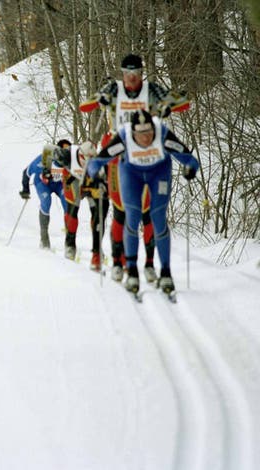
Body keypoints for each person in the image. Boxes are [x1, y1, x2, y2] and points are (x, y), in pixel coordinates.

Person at [80, 53, 190, 282]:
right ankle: (119, 261)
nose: (131, 78)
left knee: (150, 210)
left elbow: (183, 103)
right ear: (122, 73)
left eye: (136, 73)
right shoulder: (114, 89)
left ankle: (149, 263)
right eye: (127, 73)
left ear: (142, 73)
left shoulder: (151, 89)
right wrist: (99, 99)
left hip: (148, 153)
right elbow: (84, 106)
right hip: (118, 154)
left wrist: (168, 105)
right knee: (121, 209)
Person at [86, 109, 199, 295]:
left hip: (159, 173)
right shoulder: (124, 137)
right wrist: (95, 172)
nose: (146, 138)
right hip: (131, 174)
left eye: (148, 133)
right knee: (132, 214)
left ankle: (165, 272)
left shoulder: (162, 133)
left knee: (158, 217)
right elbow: (98, 161)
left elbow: (187, 156)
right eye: (140, 134)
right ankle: (131, 271)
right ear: (133, 132)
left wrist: (190, 168)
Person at [56, 141, 109, 271]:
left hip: (90, 181)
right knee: (73, 208)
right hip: (72, 178)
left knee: (97, 212)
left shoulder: (99, 161)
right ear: (81, 155)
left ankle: (97, 248)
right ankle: (70, 244)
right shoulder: (69, 153)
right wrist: (50, 167)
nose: (89, 161)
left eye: (92, 159)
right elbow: (50, 153)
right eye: (87, 159)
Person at [19, 143, 67, 249]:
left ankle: (70, 241)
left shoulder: (66, 159)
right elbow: (26, 173)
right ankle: (44, 238)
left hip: (59, 184)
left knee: (67, 202)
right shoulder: (39, 161)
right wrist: (25, 190)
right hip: (43, 184)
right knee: (46, 202)